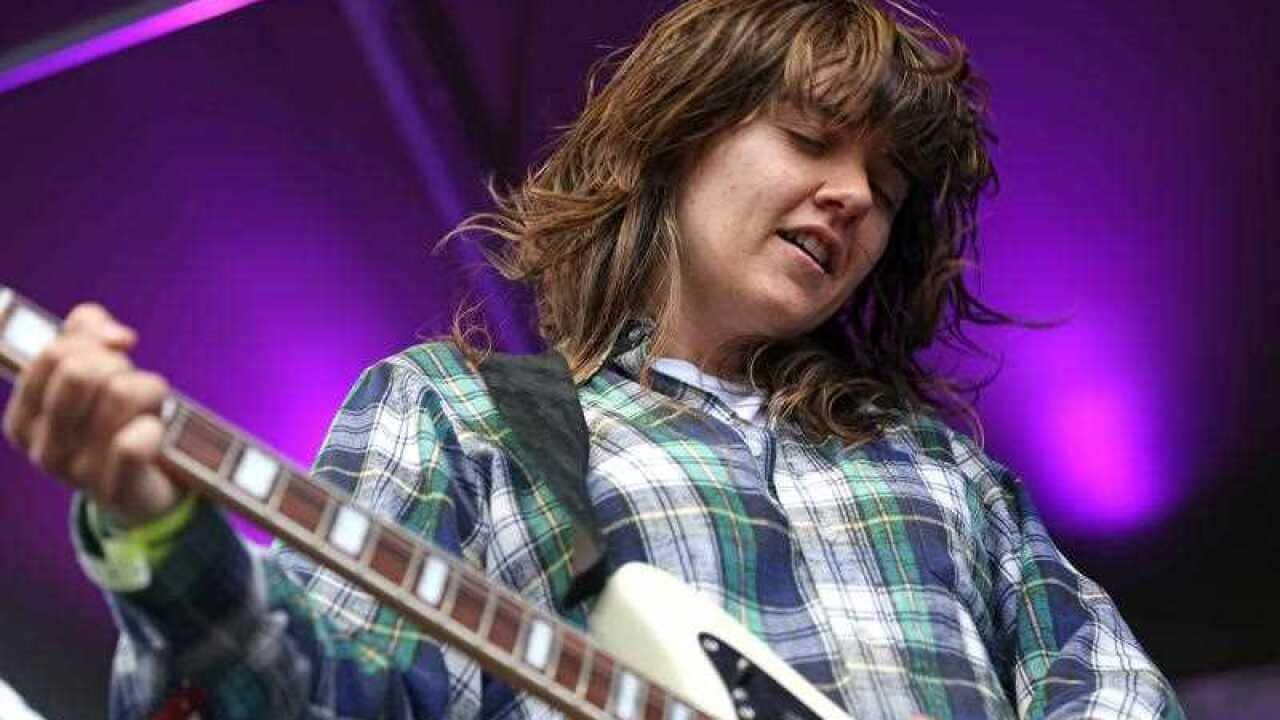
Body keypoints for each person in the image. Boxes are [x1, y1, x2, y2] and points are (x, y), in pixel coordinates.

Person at [3, 0, 1185, 718]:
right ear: (679, 140)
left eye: (882, 190)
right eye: (812, 141)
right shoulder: (463, 416)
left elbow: (1114, 694)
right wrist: (164, 536)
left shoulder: (943, 475)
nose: (850, 200)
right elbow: (315, 700)